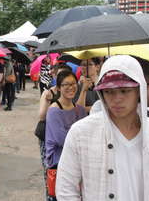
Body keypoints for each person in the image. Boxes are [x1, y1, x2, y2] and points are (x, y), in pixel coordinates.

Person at [56, 55, 149, 200]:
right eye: (109, 91)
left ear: (139, 90)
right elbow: (65, 189)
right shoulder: (81, 133)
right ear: (101, 93)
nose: (117, 98)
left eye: (125, 91)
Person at [44, 70, 87, 201]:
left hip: (78, 162)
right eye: (66, 84)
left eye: (73, 84)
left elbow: (86, 134)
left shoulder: (79, 110)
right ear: (58, 88)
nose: (71, 87)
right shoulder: (54, 111)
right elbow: (61, 140)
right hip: (59, 162)